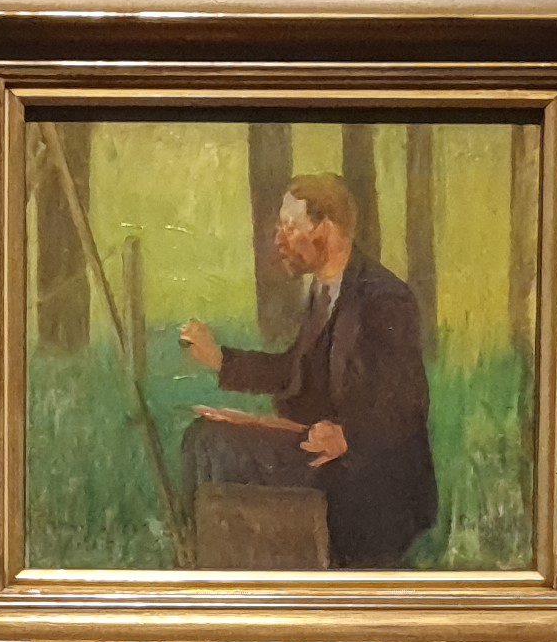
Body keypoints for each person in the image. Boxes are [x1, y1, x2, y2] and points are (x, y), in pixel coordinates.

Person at [174, 172, 438, 568]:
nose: (279, 239)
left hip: (371, 476)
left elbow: (407, 403)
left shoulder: (385, 298)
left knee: (217, 448)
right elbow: (292, 371)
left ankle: (216, 568)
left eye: (290, 226)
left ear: (326, 229)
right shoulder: (324, 292)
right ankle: (202, 563)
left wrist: (348, 436)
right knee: (203, 438)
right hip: (322, 453)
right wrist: (221, 360)